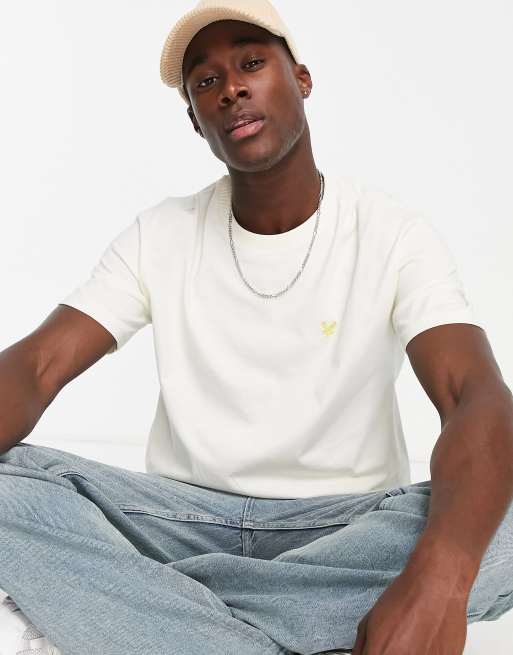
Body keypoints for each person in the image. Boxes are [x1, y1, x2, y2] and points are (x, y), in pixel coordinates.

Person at [1, 1, 512, 654]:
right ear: (196, 120)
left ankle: (156, 611)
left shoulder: (392, 233)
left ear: (300, 78)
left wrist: (439, 578)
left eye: (250, 63)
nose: (231, 88)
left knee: (499, 513)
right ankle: (278, 628)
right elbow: (38, 366)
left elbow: (475, 396)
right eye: (206, 81)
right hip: (178, 523)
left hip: (346, 527)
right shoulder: (161, 234)